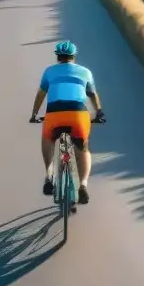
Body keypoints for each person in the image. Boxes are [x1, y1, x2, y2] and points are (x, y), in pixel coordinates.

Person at [30, 41, 103, 204]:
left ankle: (49, 175)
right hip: (78, 114)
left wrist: (34, 114)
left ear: (58, 57)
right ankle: (83, 185)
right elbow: (92, 94)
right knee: (83, 148)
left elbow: (41, 94)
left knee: (48, 139)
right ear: (73, 56)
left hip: (55, 114)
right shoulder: (85, 72)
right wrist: (99, 112)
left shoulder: (49, 71)